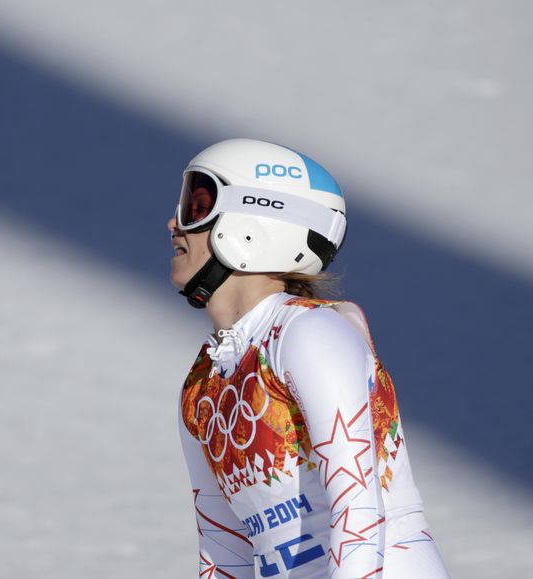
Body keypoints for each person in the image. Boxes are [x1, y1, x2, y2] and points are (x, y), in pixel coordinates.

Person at [169, 139, 450, 578]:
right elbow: (223, 549)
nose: (174, 223)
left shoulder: (309, 335)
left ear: (252, 222)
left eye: (197, 203)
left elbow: (357, 510)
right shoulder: (204, 382)